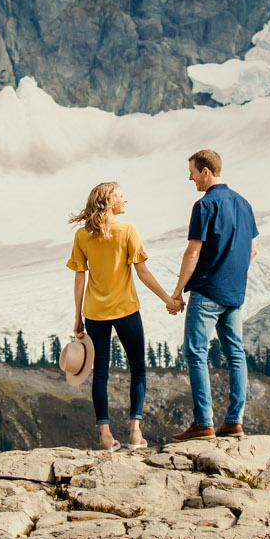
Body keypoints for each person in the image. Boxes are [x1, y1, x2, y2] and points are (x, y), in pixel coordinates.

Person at [67, 181, 177, 450]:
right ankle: (135, 433)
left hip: (95, 313)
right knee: (137, 368)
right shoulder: (128, 230)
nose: (126, 200)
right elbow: (142, 273)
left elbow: (80, 279)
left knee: (100, 374)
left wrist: (78, 316)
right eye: (121, 196)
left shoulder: (83, 236)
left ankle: (105, 436)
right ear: (110, 201)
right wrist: (169, 300)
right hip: (126, 309)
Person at [167, 148, 256, 441]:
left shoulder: (204, 205)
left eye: (193, 174)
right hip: (234, 293)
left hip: (206, 291)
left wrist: (178, 291)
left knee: (195, 352)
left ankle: (204, 422)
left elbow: (193, 251)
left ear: (206, 171)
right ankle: (234, 422)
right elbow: (252, 250)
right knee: (235, 354)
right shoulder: (244, 204)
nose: (191, 180)